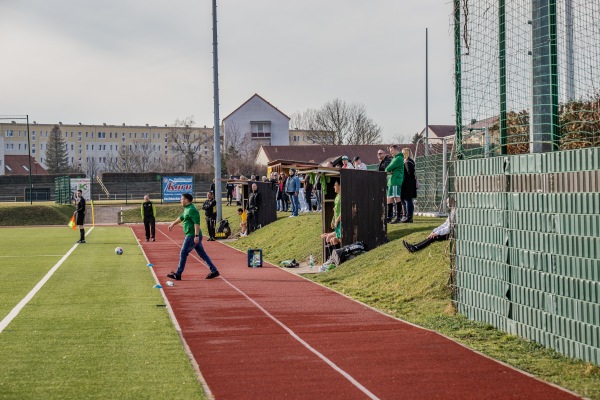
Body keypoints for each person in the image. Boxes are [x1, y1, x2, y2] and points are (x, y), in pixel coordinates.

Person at [167, 193, 220, 280]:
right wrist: (173, 224)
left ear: (186, 200)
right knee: (202, 254)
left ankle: (178, 274)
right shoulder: (187, 208)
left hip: (192, 235)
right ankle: (214, 271)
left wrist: (196, 236)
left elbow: (196, 223)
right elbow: (182, 217)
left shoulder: (192, 209)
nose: (180, 201)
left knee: (183, 253)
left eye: (182, 199)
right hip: (192, 235)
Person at [385, 145, 405, 224]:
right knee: (389, 199)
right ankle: (389, 217)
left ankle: (398, 217)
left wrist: (389, 170)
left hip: (396, 181)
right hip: (392, 180)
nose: (391, 152)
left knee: (396, 198)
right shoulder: (395, 158)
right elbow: (388, 169)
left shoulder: (399, 158)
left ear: (396, 150)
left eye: (392, 150)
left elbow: (388, 168)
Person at [320, 180, 342, 252]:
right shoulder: (337, 196)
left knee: (336, 239)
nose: (333, 187)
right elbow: (336, 209)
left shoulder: (342, 196)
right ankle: (333, 258)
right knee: (329, 238)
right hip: (336, 221)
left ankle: (338, 257)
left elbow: (343, 210)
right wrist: (333, 220)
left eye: (335, 185)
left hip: (340, 221)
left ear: (340, 186)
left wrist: (337, 220)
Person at [400, 148, 417, 223]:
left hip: (408, 184)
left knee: (408, 200)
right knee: (408, 200)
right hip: (409, 183)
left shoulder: (407, 162)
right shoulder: (409, 161)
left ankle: (409, 216)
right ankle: (409, 216)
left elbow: (410, 173)